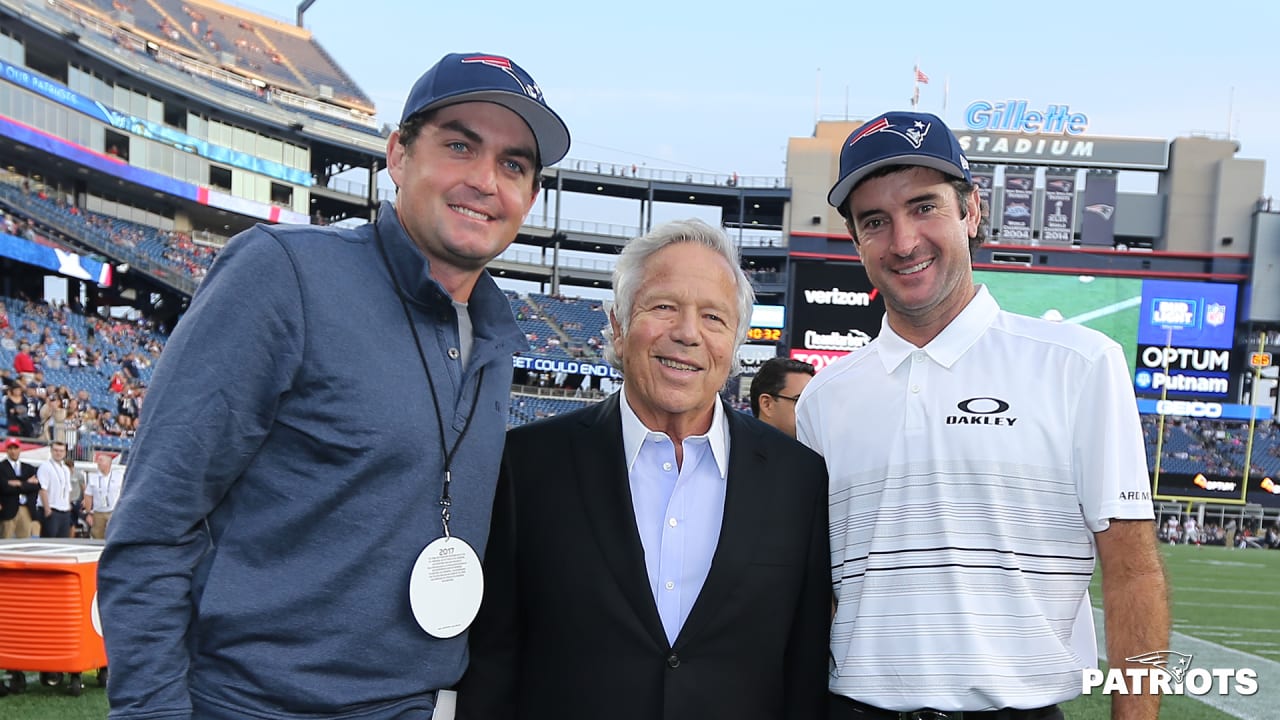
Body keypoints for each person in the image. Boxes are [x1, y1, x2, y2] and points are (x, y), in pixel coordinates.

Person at [97, 51, 570, 720]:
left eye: (513, 164)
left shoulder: (496, 333)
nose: (485, 180)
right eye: (460, 145)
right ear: (399, 156)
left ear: (530, 197)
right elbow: (153, 528)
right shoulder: (282, 275)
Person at [799, 110, 1169, 720]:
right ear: (857, 240)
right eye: (875, 221)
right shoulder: (825, 398)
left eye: (924, 207)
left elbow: (1133, 572)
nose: (904, 241)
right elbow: (820, 596)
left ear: (971, 211)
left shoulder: (1078, 364)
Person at [458, 219, 831, 720]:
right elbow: (494, 661)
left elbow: (803, 671)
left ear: (736, 342)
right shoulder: (527, 466)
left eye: (714, 318)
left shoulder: (799, 480)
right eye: (664, 307)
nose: (687, 333)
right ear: (618, 324)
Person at [748, 357, 815, 438]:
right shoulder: (736, 448)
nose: (811, 413)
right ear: (767, 404)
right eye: (800, 402)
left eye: (813, 405)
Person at [0, 437, 39, 538]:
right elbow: (4, 487)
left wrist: (18, 483)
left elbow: (35, 487)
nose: (13, 451)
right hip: (8, 509)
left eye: (15, 448)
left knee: (24, 540)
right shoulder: (2, 467)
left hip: (26, 508)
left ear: (20, 449)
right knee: (6, 538)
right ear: (7, 450)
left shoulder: (29, 468)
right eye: (10, 448)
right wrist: (26, 483)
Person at [84, 452, 124, 539]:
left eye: (101, 460)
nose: (98, 462)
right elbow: (88, 496)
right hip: (98, 512)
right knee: (97, 535)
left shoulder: (119, 476)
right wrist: (88, 513)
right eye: (98, 460)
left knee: (113, 534)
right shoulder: (93, 477)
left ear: (108, 463)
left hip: (113, 511)